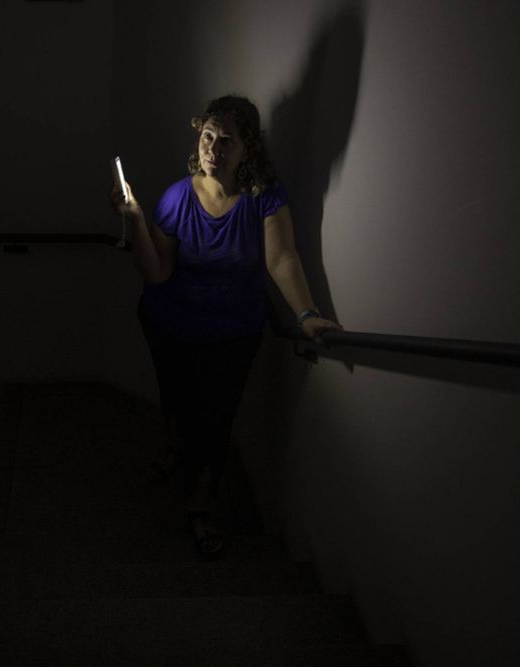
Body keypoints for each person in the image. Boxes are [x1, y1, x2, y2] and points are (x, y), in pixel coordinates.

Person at [109, 95, 341, 558]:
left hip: (231, 335)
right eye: (208, 136)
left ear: (247, 148)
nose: (213, 149)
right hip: (168, 324)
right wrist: (135, 220)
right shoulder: (177, 198)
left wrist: (306, 314)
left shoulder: (263, 196)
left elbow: (281, 258)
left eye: (227, 140)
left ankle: (200, 507)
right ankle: (175, 446)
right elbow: (156, 273)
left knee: (215, 419)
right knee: (176, 398)